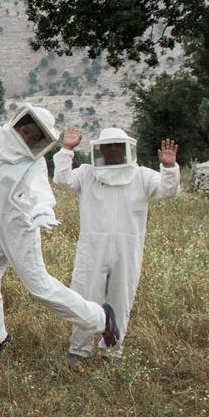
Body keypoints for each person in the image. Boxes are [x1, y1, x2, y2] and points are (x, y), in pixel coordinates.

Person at [0, 53, 119, 366]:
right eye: (28, 129)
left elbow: (40, 190)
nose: (29, 136)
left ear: (41, 140)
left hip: (18, 228)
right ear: (20, 121)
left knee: (40, 288)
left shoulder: (33, 162)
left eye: (35, 135)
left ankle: (101, 319)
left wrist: (43, 212)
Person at [54, 126, 180, 367]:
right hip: (93, 247)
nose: (112, 151)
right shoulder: (88, 174)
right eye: (107, 147)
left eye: (116, 147)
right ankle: (79, 350)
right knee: (85, 296)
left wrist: (169, 168)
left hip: (127, 248)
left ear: (126, 150)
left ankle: (112, 351)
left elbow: (168, 190)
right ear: (99, 150)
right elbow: (62, 179)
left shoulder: (141, 175)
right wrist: (67, 149)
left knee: (121, 297)